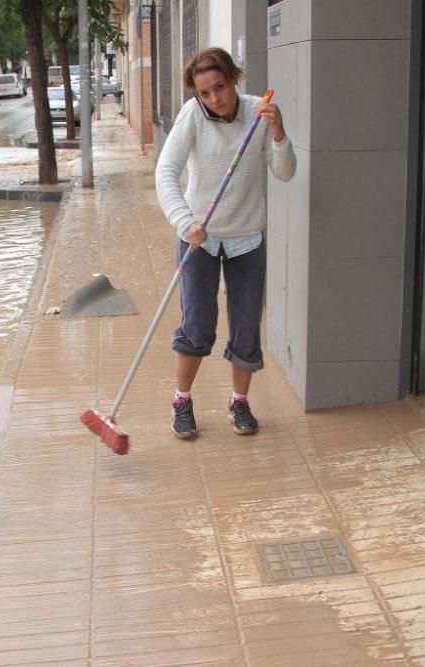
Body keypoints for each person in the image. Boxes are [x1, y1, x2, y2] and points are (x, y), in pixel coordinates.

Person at [154, 47, 296, 440]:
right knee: (197, 326)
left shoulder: (259, 113)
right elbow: (166, 171)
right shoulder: (192, 117)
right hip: (200, 238)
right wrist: (185, 222)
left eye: (220, 87)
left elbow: (285, 173)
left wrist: (280, 133)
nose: (215, 98)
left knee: (247, 327)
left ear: (234, 78)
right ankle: (182, 400)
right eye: (205, 93)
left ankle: (239, 402)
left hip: (247, 239)